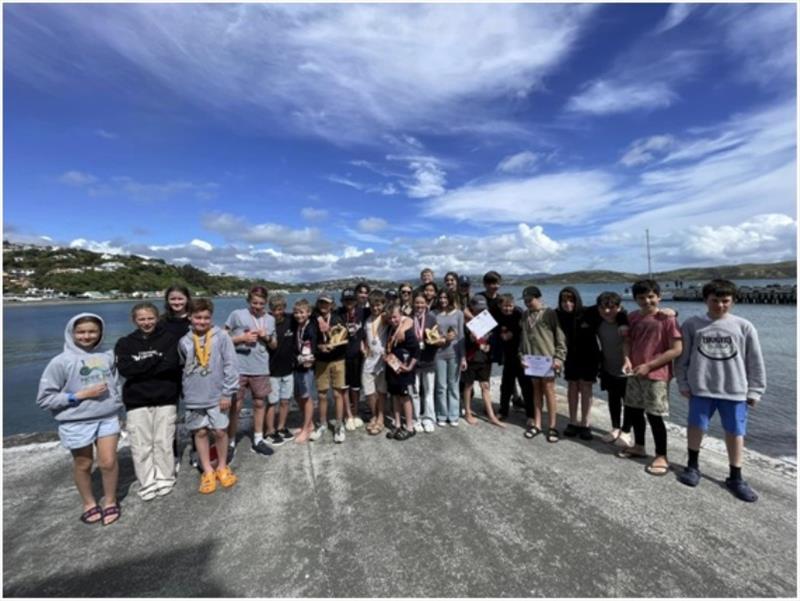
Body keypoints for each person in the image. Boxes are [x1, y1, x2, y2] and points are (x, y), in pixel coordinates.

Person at [675, 279, 766, 502]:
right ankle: (692, 466)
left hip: (734, 390)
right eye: (715, 300)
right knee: (696, 427)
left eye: (725, 301)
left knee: (735, 432)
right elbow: (682, 360)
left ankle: (736, 476)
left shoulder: (743, 326)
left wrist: (755, 390)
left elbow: (755, 361)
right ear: (705, 300)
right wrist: (683, 383)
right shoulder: (692, 324)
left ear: (733, 301)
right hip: (701, 388)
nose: (720, 305)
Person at [37, 313, 123, 526]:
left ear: (100, 333)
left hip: (107, 416)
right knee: (83, 463)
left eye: (92, 331)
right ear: (71, 333)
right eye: (81, 332)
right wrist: (79, 395)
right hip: (76, 420)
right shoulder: (60, 362)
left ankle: (110, 500)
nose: (87, 336)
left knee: (108, 462)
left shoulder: (108, 356)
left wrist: (117, 400)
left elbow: (117, 381)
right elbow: (45, 398)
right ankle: (89, 503)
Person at [115, 302, 181, 501]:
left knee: (164, 440)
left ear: (157, 318)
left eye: (150, 318)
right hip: (137, 400)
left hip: (166, 397)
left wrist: (141, 364)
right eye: (141, 319)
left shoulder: (169, 339)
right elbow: (125, 370)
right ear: (134, 320)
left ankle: (165, 477)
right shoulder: (124, 343)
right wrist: (155, 361)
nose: (146, 322)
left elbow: (171, 365)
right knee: (140, 443)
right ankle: (147, 481)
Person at [619, 279, 683, 477]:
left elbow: (676, 349)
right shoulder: (632, 317)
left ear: (658, 296)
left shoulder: (667, 319)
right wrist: (627, 359)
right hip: (635, 372)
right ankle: (639, 446)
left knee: (655, 416)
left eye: (650, 296)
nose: (646, 301)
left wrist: (649, 365)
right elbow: (627, 342)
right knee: (635, 411)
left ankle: (661, 455)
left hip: (656, 375)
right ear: (635, 298)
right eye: (641, 297)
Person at [178, 298, 239, 494]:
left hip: (217, 395)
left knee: (220, 431)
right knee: (200, 432)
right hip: (194, 396)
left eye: (206, 318)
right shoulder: (184, 341)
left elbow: (231, 365)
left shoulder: (221, 336)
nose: (202, 321)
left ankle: (222, 466)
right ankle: (207, 470)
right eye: (198, 318)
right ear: (190, 317)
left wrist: (227, 392)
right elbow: (183, 368)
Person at [224, 285, 276, 459]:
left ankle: (258, 439)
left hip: (260, 366)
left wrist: (266, 337)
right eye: (254, 303)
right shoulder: (237, 315)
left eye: (261, 303)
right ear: (248, 301)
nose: (258, 306)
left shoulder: (270, 319)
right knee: (235, 406)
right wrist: (241, 339)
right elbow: (221, 339)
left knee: (260, 403)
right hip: (238, 367)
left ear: (266, 303)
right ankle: (230, 442)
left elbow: (274, 344)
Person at [519, 286, 566, 442]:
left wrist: (559, 358)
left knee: (549, 391)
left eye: (530, 300)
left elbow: (560, 338)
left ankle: (552, 427)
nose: (527, 303)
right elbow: (522, 339)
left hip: (547, 361)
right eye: (525, 301)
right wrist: (521, 356)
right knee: (536, 392)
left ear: (539, 298)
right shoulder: (525, 315)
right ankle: (537, 424)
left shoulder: (550, 313)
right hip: (531, 362)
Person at [556, 287, 601, 441]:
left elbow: (615, 311)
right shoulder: (558, 315)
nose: (567, 304)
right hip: (570, 358)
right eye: (564, 301)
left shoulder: (590, 312)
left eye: (571, 300)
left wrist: (670, 312)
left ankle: (586, 423)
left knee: (586, 387)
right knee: (572, 387)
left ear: (577, 300)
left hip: (589, 357)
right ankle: (573, 421)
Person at [160, 284, 193, 471]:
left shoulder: (194, 319)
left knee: (196, 411)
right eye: (173, 299)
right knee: (170, 415)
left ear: (187, 299)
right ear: (167, 300)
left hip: (193, 373)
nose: (177, 302)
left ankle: (197, 449)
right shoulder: (162, 322)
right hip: (169, 373)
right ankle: (172, 454)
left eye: (180, 298)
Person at [595, 292, 633, 445]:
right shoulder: (599, 323)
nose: (607, 312)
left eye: (612, 308)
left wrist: (672, 312)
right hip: (608, 369)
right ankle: (615, 428)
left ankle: (626, 431)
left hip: (627, 370)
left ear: (619, 307)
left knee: (629, 402)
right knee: (613, 400)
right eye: (603, 308)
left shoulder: (627, 321)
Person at [463, 295, 504, 427]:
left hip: (485, 358)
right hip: (471, 358)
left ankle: (491, 415)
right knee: (468, 386)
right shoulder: (467, 323)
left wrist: (490, 346)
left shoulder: (488, 320)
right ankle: (468, 412)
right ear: (472, 308)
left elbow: (493, 338)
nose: (480, 312)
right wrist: (473, 339)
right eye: (477, 309)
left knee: (485, 386)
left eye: (482, 309)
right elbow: (466, 341)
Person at [313, 293, 348, 443]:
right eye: (321, 302)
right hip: (321, 361)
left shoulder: (338, 318)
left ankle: (339, 425)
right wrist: (319, 347)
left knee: (337, 393)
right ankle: (322, 424)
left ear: (332, 305)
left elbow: (345, 337)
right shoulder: (313, 319)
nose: (323, 306)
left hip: (338, 360)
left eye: (326, 303)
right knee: (321, 395)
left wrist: (333, 345)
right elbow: (309, 339)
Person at [384, 304, 420, 441]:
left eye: (395, 317)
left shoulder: (407, 331)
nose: (393, 320)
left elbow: (416, 351)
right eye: (390, 318)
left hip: (404, 371)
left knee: (405, 398)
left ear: (401, 317)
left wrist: (410, 367)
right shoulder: (389, 330)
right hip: (392, 369)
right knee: (394, 397)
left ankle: (410, 427)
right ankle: (397, 424)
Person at [433, 288, 465, 426]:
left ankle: (453, 415)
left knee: (453, 385)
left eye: (445, 297)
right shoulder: (433, 314)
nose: (443, 300)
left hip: (454, 354)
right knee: (441, 386)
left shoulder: (459, 314)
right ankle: (441, 414)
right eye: (440, 297)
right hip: (438, 354)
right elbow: (430, 335)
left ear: (450, 299)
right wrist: (440, 338)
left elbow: (461, 336)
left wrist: (463, 357)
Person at [266, 295, 295, 443]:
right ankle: (270, 430)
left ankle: (281, 427)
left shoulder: (291, 320)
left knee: (285, 401)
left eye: (280, 309)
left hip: (288, 369)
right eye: (274, 309)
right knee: (272, 402)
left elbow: (308, 314)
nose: (277, 312)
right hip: (271, 370)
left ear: (284, 308)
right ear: (270, 309)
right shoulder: (266, 322)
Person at [338, 288, 367, 430]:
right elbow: (318, 312)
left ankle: (355, 413)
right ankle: (348, 415)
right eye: (346, 300)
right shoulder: (338, 313)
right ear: (342, 302)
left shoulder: (363, 312)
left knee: (355, 388)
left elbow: (381, 313)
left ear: (356, 301)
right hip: (342, 356)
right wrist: (318, 317)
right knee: (344, 387)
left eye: (352, 300)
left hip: (357, 357)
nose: (349, 303)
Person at [409, 292, 438, 433]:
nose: (419, 305)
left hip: (429, 359)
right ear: (413, 304)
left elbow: (438, 336)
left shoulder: (432, 318)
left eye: (422, 303)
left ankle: (429, 418)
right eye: (417, 303)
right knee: (415, 392)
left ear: (426, 304)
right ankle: (416, 419)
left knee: (428, 391)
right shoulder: (408, 319)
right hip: (413, 362)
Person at [497, 293, 529, 419]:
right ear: (500, 306)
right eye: (505, 306)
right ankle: (503, 410)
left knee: (525, 384)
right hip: (508, 355)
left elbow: (524, 329)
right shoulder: (498, 315)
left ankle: (530, 414)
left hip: (521, 354)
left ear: (514, 304)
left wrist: (512, 333)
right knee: (506, 385)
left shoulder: (519, 313)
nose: (508, 308)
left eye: (510, 306)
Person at [291, 299, 318, 444]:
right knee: (297, 395)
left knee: (306, 397)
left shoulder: (311, 327)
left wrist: (308, 359)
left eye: (301, 312)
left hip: (307, 367)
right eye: (296, 312)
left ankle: (307, 429)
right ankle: (309, 423)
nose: (298, 315)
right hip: (297, 365)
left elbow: (310, 348)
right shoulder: (297, 325)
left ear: (308, 313)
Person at [363, 290, 389, 435]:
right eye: (373, 305)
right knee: (369, 392)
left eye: (378, 305)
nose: (375, 308)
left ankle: (380, 417)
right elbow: (365, 337)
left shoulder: (384, 318)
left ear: (383, 305)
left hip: (382, 361)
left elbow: (401, 318)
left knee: (381, 391)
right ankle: (374, 414)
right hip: (368, 360)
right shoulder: (367, 320)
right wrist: (363, 346)